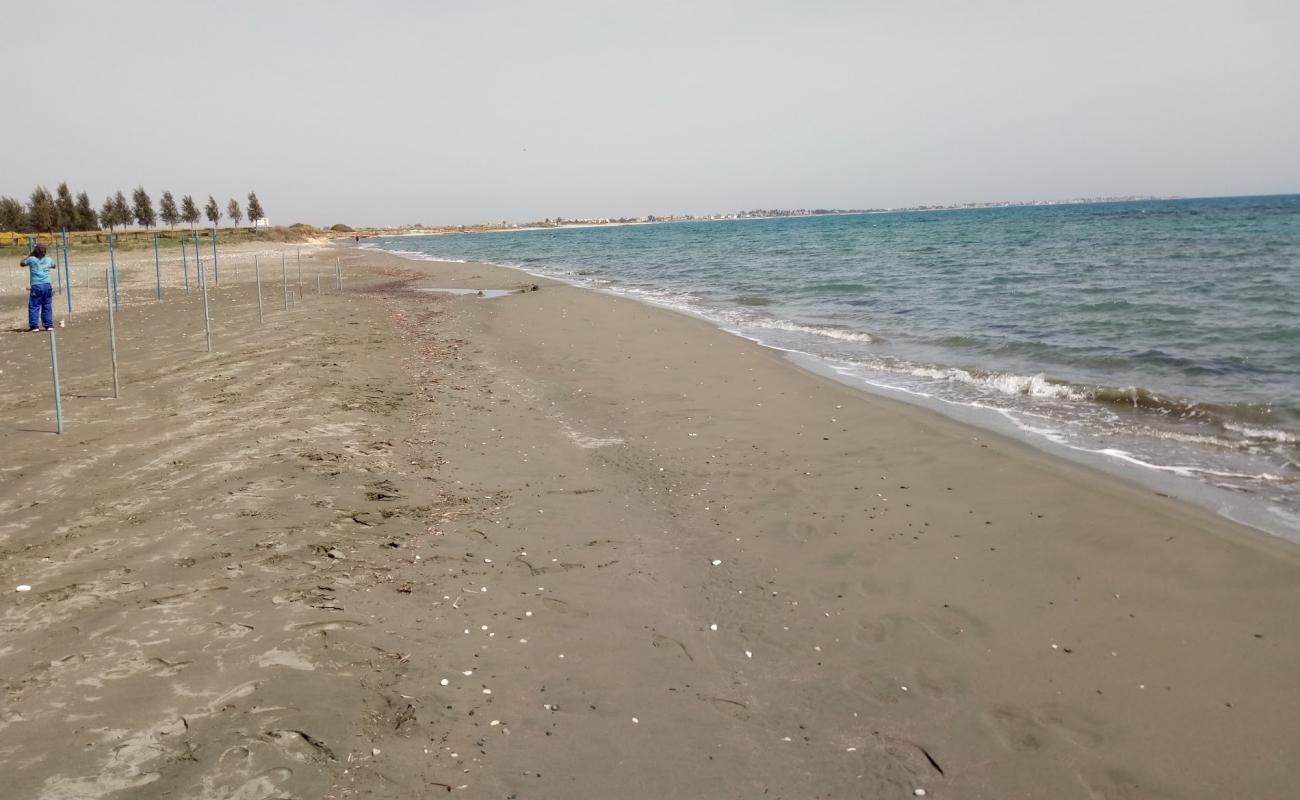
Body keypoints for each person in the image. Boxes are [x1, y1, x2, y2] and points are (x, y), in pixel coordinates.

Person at [19, 243, 54, 332]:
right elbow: (53, 265)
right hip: (47, 284)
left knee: (34, 306)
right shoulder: (48, 259)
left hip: (36, 285)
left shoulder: (31, 259)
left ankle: (34, 326)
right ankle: (48, 325)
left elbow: (22, 263)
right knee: (47, 305)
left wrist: (29, 255)